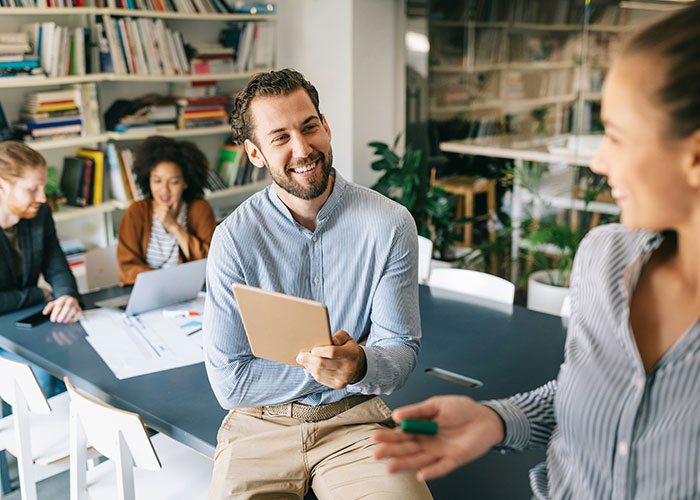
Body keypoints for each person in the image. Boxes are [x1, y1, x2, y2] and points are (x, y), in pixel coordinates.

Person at [373, 5, 700, 499]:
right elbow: (583, 401)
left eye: (614, 135)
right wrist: (495, 419)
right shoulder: (604, 260)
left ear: (694, 156)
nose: (598, 160)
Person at [203, 69, 433, 499]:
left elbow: (401, 350)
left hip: (354, 422)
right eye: (280, 138)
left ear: (325, 126)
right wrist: (336, 371)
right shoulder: (233, 239)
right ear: (255, 153)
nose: (302, 148)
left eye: (309, 128)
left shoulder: (390, 224)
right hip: (259, 425)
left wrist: (361, 367)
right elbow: (230, 383)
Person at [0, 140, 82, 395]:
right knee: (43, 381)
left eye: (43, 187)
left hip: (29, 324)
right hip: (6, 331)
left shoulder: (40, 214)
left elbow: (57, 266)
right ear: (2, 187)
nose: (43, 197)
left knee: (79, 373)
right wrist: (40, 294)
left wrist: (66, 296)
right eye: (33, 189)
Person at [117, 135, 216, 286]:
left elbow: (212, 262)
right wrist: (165, 280)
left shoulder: (199, 209)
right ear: (148, 180)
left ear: (185, 182)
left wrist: (174, 227)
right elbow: (127, 268)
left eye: (174, 182)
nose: (164, 190)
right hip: (150, 289)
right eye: (157, 181)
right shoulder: (136, 212)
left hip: (191, 290)